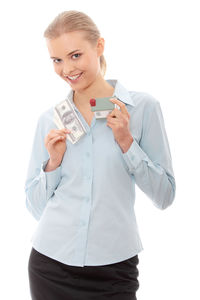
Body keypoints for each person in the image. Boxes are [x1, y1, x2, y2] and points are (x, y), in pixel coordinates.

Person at [25, 10, 176, 300]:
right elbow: (34, 208)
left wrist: (127, 143)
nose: (67, 68)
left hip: (114, 270)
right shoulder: (50, 120)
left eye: (75, 55)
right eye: (57, 60)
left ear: (99, 47)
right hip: (50, 264)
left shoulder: (143, 109)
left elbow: (165, 195)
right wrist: (53, 163)